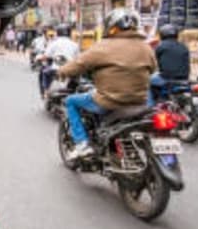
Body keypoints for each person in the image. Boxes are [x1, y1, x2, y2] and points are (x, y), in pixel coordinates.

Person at [57, 9, 157, 161]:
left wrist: (62, 71)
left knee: (71, 101)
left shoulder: (103, 46)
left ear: (111, 26)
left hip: (110, 101)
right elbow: (153, 69)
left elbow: (79, 64)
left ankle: (82, 144)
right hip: (140, 102)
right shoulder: (146, 47)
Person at [149, 23, 191, 104]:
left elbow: (154, 62)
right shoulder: (183, 46)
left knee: (147, 82)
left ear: (162, 34)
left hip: (166, 78)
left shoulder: (160, 46)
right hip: (184, 78)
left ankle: (150, 106)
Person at [39, 24, 80, 97]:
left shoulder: (53, 43)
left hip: (55, 70)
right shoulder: (75, 44)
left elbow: (46, 56)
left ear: (57, 33)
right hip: (70, 70)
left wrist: (40, 58)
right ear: (69, 33)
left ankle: (46, 92)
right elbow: (78, 58)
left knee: (44, 72)